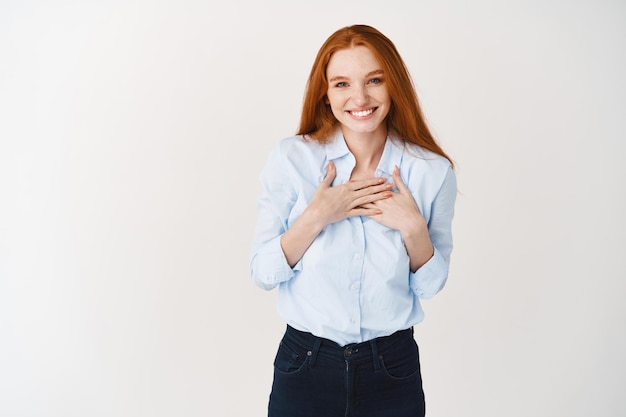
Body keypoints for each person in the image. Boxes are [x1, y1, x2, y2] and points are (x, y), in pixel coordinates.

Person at [250, 24, 457, 417]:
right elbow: (262, 272)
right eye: (342, 84)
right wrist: (317, 216)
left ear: (393, 84)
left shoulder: (431, 172)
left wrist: (413, 228)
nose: (359, 98)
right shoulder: (293, 160)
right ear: (325, 95)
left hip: (391, 368)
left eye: (374, 80)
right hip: (305, 364)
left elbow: (430, 285)